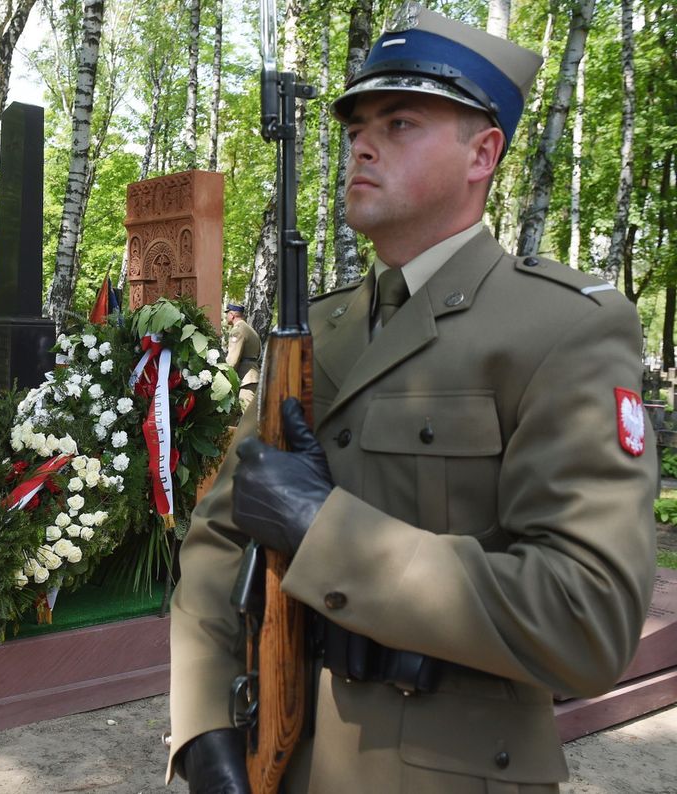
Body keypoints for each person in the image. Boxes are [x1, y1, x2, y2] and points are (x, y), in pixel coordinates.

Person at [168, 7, 658, 793]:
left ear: (483, 153)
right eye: (359, 123)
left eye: (400, 122)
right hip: (276, 758)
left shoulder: (561, 329)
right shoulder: (315, 331)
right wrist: (201, 729)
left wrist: (324, 531)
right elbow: (219, 536)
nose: (362, 142)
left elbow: (588, 619)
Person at [223, 302, 261, 413]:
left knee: (248, 416)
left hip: (246, 379)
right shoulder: (251, 330)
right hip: (253, 376)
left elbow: (232, 360)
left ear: (232, 314)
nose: (226, 317)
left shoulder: (238, 330)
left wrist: (224, 376)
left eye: (227, 314)